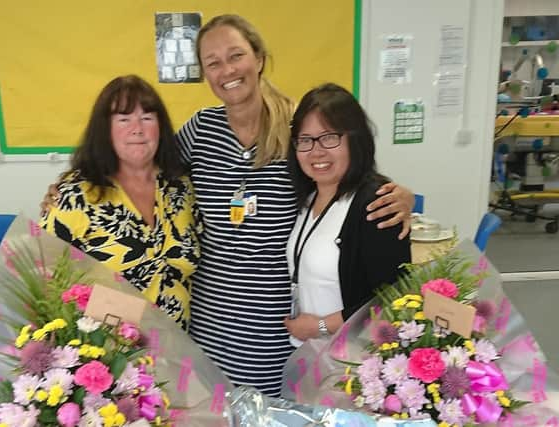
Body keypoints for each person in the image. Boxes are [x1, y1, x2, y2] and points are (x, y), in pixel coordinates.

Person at [41, 15, 414, 396]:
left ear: (259, 59)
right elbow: (145, 165)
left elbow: (343, 174)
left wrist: (396, 193)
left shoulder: (293, 131)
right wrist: (71, 185)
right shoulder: (201, 129)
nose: (227, 70)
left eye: (236, 55)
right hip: (203, 323)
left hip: (272, 325)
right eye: (213, 62)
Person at [39, 75, 201, 331]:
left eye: (147, 118)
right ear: (105, 130)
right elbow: (46, 286)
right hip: (110, 357)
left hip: (182, 348)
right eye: (124, 119)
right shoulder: (74, 196)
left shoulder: (180, 188)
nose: (137, 129)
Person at [283, 83, 411, 347]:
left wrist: (320, 326)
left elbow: (391, 298)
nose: (316, 151)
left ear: (355, 139)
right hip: (309, 356)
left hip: (355, 364)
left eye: (330, 137)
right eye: (305, 140)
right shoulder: (308, 196)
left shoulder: (376, 204)